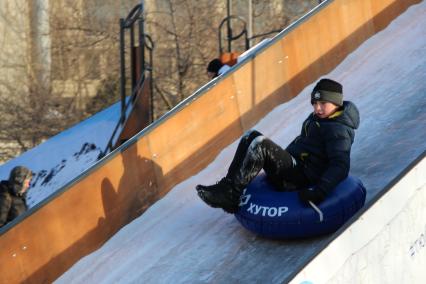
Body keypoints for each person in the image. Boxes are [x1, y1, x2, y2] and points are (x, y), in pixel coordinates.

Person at [196, 78, 360, 213]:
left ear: (336, 102)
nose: (317, 108)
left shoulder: (337, 130)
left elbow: (340, 164)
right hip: (296, 168)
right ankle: (227, 187)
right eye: (315, 103)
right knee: (250, 136)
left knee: (259, 144)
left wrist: (319, 191)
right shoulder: (321, 120)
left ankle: (231, 194)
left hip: (301, 178)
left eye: (323, 103)